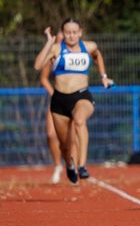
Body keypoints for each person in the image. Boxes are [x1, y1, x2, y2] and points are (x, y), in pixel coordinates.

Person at [34, 18, 113, 183]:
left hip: (82, 96)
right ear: (63, 33)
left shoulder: (89, 46)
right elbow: (38, 66)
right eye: (68, 33)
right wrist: (49, 42)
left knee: (79, 120)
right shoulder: (56, 49)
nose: (71, 36)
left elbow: (98, 56)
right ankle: (69, 164)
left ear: (80, 32)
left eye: (74, 32)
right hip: (60, 100)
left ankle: (82, 166)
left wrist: (103, 76)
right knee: (64, 144)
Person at [39, 31, 76, 184]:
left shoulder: (77, 56)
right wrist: (54, 93)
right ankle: (57, 166)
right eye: (60, 40)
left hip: (74, 99)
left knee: (72, 137)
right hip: (57, 100)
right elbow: (43, 78)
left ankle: (74, 168)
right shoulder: (53, 57)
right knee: (51, 134)